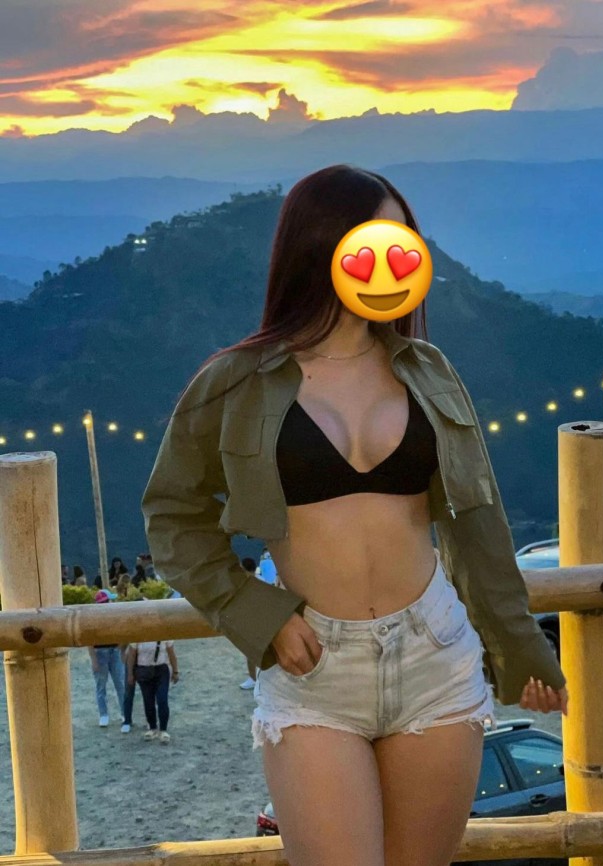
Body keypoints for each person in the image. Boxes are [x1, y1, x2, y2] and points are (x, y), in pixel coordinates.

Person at [142, 164, 569, 866]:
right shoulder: (235, 382)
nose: (399, 261)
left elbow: (477, 522)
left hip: (435, 653)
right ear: (324, 246)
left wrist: (520, 646)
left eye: (407, 244)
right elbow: (172, 514)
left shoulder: (428, 371)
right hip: (314, 667)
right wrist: (259, 615)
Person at [126, 638, 179, 743]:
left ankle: (163, 729)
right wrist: (130, 674)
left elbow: (171, 653)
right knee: (148, 700)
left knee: (162, 699)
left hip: (161, 670)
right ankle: (152, 727)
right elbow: (132, 654)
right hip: (143, 670)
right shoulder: (137, 634)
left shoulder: (164, 633)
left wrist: (175, 671)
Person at [88, 590, 126, 727]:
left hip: (113, 651)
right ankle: (104, 715)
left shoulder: (114, 617)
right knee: (101, 686)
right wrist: (94, 660)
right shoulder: (93, 620)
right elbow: (89, 641)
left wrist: (120, 648)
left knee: (120, 684)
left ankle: (124, 713)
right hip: (100, 652)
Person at [239, 556, 268, 690]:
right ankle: (255, 677)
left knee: (250, 652)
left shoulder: (249, 584)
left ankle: (253, 679)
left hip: (255, 621)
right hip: (257, 620)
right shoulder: (260, 581)